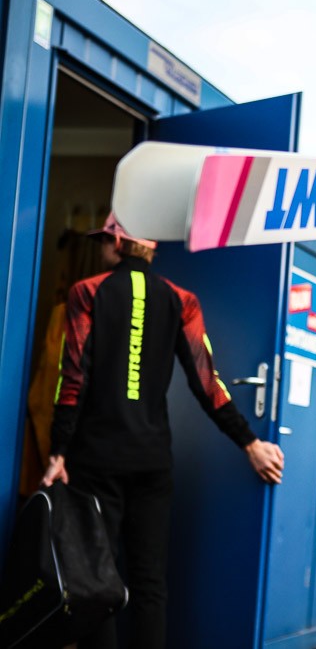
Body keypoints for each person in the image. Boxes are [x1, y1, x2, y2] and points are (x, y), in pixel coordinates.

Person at [41, 214, 285, 649]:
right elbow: (207, 383)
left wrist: (58, 451)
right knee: (149, 581)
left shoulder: (87, 292)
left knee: (97, 577)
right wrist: (249, 442)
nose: (102, 249)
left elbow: (71, 379)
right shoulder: (181, 300)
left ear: (118, 243)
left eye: (104, 241)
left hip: (96, 460)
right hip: (151, 462)